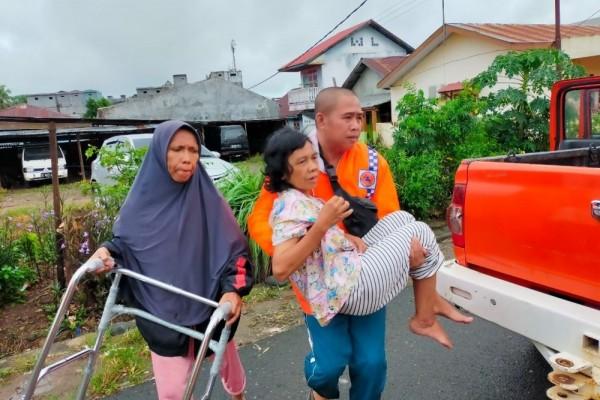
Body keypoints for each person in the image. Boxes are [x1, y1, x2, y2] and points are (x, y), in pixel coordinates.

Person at [248, 88, 470, 400]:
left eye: (360, 117)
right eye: (348, 117)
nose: (357, 125)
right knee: (328, 367)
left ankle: (427, 302)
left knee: (372, 363)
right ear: (321, 120)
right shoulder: (294, 162)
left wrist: (400, 250)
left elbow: (389, 212)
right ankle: (319, 391)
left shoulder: (373, 163)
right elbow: (263, 221)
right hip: (322, 285)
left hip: (364, 270)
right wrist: (313, 249)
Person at [87, 120, 253, 400]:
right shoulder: (140, 204)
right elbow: (124, 246)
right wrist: (106, 253)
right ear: (160, 152)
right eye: (177, 149)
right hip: (161, 313)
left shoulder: (208, 200)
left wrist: (232, 291)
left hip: (209, 305)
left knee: (228, 368)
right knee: (173, 392)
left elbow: (236, 252)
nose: (187, 158)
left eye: (193, 150)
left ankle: (238, 396)